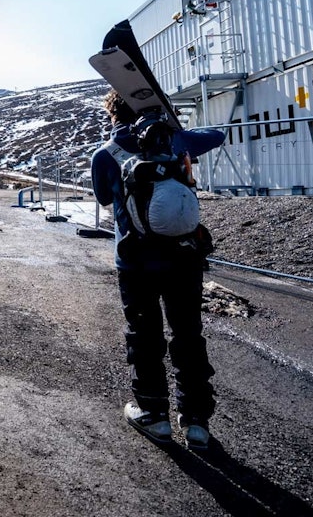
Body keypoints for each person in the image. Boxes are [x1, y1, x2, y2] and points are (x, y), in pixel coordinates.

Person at [90, 89, 225, 450]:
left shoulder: (106, 153)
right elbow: (217, 135)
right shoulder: (174, 139)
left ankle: (154, 415)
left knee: (144, 334)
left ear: (115, 114)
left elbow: (103, 197)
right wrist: (173, 127)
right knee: (188, 334)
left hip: (135, 260)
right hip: (184, 256)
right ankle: (196, 422)